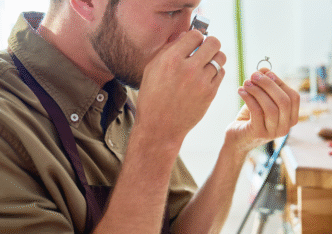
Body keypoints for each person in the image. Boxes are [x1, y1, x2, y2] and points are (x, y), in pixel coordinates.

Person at [0, 0, 300, 233]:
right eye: (169, 11)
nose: (187, 36)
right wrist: (158, 139)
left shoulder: (122, 83)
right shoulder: (8, 122)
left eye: (192, 12)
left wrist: (235, 148)